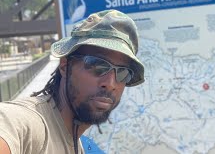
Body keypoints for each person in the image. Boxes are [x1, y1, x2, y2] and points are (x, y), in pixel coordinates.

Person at [0, 10, 145, 154]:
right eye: (98, 65)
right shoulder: (26, 125)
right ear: (64, 66)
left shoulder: (77, 145)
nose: (110, 83)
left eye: (123, 72)